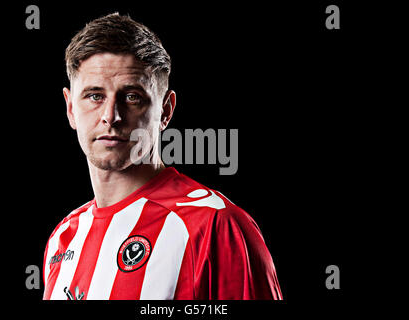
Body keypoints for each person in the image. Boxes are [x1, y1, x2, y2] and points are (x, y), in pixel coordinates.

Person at [42, 12, 282, 300]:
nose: (111, 116)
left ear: (166, 110)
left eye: (132, 97)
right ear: (70, 108)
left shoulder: (214, 226)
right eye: (95, 96)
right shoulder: (63, 238)